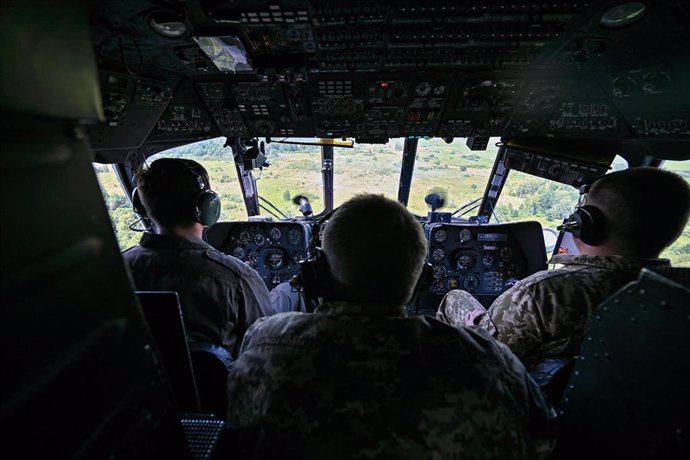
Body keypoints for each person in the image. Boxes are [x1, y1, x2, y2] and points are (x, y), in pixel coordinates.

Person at [227, 194, 556, 459]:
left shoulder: (264, 344)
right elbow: (543, 442)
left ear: (317, 273)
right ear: (422, 280)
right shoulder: (491, 360)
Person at [438, 167, 690, 372]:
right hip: (601, 417)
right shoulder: (676, 298)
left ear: (586, 223)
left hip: (529, 411)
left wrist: (476, 330)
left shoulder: (545, 293)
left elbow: (487, 363)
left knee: (455, 298)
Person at [123, 158, 272, 359]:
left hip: (142, 389)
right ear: (206, 206)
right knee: (288, 292)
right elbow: (266, 350)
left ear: (142, 206)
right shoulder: (238, 280)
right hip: (219, 389)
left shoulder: (115, 270)